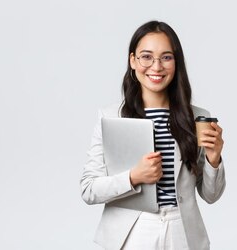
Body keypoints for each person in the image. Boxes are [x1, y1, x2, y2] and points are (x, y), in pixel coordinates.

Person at [80, 20, 226, 250]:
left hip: (182, 231)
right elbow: (89, 189)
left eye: (166, 57)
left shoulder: (198, 118)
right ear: (133, 61)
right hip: (133, 232)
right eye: (146, 56)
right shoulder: (111, 117)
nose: (156, 66)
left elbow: (211, 195)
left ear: (176, 63)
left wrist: (213, 159)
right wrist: (133, 177)